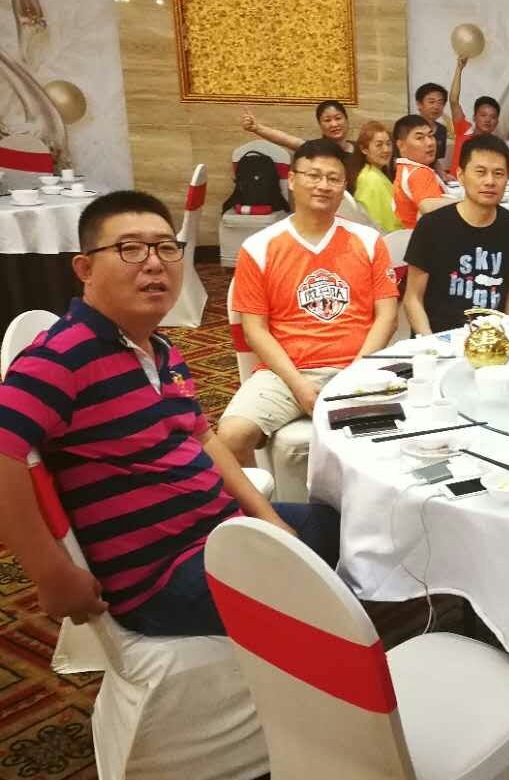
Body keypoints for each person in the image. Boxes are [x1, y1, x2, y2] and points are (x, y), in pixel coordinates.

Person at [0, 190, 340, 637]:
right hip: (160, 579)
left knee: (341, 527)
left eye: (165, 247)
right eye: (130, 249)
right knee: (320, 598)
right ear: (85, 269)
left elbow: (204, 439)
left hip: (221, 529)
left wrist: (268, 519)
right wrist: (50, 572)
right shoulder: (62, 356)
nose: (154, 263)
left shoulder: (161, 349)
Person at [218, 138, 399, 465]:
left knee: (411, 432)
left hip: (357, 366)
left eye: (333, 178)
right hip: (287, 373)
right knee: (231, 437)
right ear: (292, 180)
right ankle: (260, 499)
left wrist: (356, 373)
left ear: (344, 186)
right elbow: (255, 330)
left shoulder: (369, 241)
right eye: (313, 175)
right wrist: (298, 385)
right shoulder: (259, 247)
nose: (323, 185)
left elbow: (387, 315)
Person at [403, 134, 509, 333]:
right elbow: (412, 298)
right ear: (461, 175)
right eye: (480, 172)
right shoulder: (432, 226)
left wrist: (508, 331)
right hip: (440, 338)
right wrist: (430, 343)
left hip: (491, 337)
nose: (490, 181)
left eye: (498, 173)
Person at [240, 99, 362, 189]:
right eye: (327, 120)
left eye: (338, 118)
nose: (334, 124)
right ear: (320, 125)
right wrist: (257, 128)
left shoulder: (361, 149)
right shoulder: (316, 149)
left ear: (346, 120)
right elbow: (286, 139)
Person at [391, 114, 450, 229]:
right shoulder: (420, 172)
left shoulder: (405, 168)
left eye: (431, 136)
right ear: (401, 145)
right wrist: (466, 202)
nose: (430, 143)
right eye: (420, 138)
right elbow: (428, 208)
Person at [447, 55, 501, 175]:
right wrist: (459, 69)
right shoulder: (464, 129)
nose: (488, 120)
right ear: (474, 117)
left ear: (497, 122)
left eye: (493, 117)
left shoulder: (496, 145)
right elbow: (453, 101)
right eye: (483, 115)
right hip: (456, 183)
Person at [352, 120, 396, 233]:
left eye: (388, 144)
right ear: (364, 149)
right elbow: (376, 224)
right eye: (379, 145)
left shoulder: (373, 174)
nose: (386, 150)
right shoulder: (371, 179)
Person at [413, 80, 450, 173]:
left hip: (431, 175)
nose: (436, 106)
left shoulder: (442, 130)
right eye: (431, 102)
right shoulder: (409, 127)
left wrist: (442, 174)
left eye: (440, 102)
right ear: (419, 104)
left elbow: (435, 160)